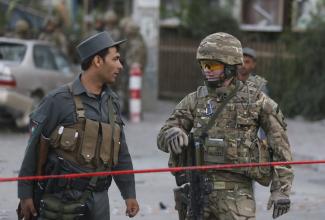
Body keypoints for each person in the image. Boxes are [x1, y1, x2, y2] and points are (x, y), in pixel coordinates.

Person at [157, 32, 293, 219]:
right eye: (203, 65)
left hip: (237, 196)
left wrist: (281, 190)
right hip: (198, 193)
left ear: (230, 66)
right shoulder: (194, 100)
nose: (207, 70)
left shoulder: (257, 101)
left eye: (212, 65)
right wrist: (172, 134)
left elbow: (280, 145)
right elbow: (163, 136)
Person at [17, 31, 139, 220]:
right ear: (98, 61)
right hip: (62, 201)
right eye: (115, 59)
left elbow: (120, 150)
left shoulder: (112, 102)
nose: (120, 66)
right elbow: (33, 148)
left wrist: (129, 193)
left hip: (99, 201)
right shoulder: (57, 100)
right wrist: (25, 194)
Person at [119, 19, 147, 117]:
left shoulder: (136, 43)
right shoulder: (132, 40)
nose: (125, 30)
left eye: (127, 29)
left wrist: (132, 67)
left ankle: (133, 111)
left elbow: (135, 59)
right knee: (128, 90)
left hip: (133, 71)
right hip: (130, 69)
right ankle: (128, 110)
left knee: (131, 91)